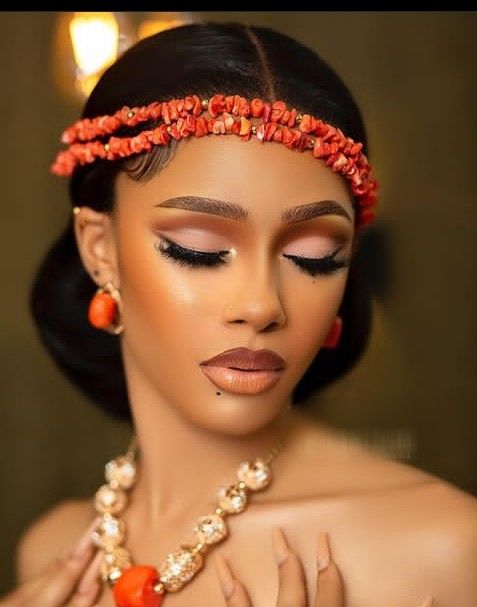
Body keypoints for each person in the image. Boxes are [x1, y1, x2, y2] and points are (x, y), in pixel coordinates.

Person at [2, 20, 476, 607]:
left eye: (315, 258)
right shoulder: (56, 549)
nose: (261, 306)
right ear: (101, 251)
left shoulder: (437, 552)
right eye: (198, 250)